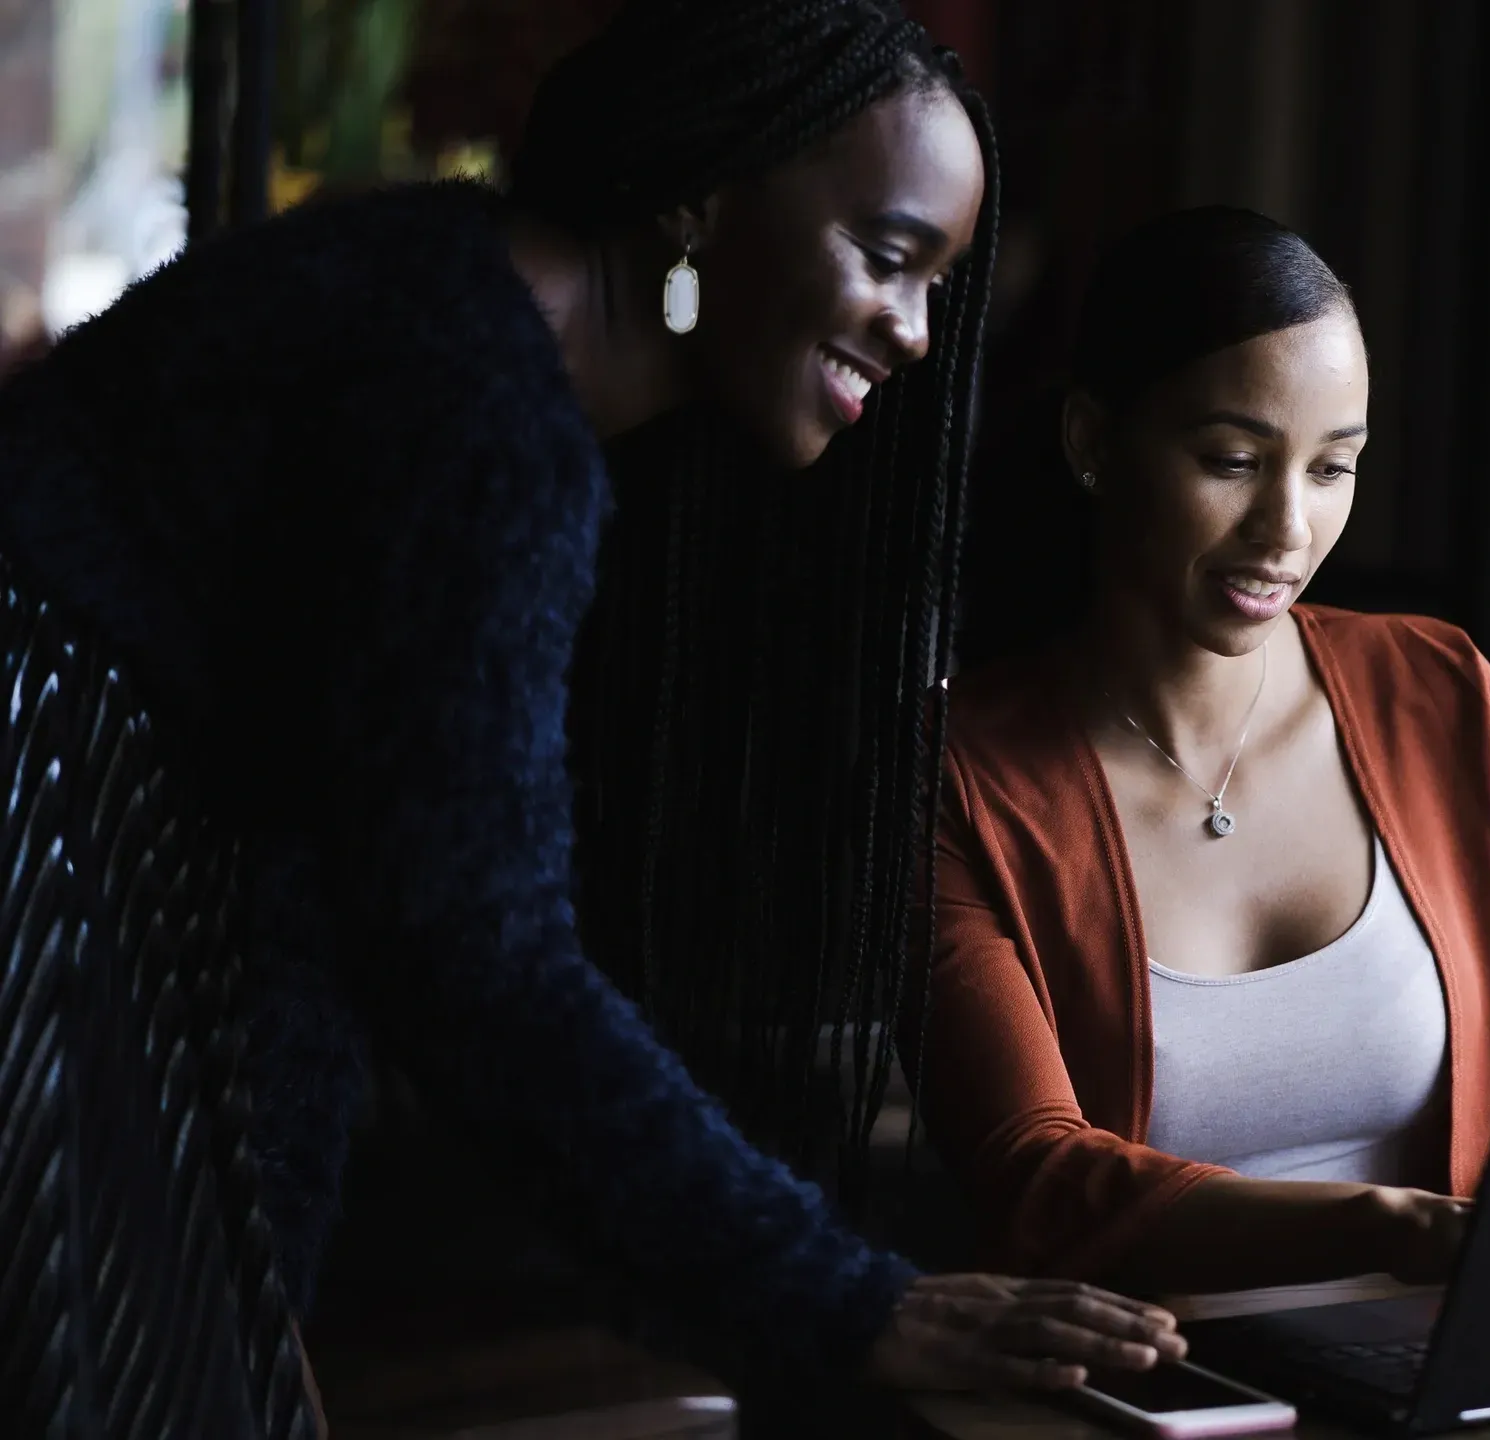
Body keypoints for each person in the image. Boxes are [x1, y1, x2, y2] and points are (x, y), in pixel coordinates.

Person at [0, 0, 1184, 1398]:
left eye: (939, 285)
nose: (918, 334)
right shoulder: (476, 401)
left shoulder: (439, 295)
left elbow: (342, 894)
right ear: (700, 195)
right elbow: (475, 960)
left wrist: (255, 1312)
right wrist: (848, 1301)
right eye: (887, 256)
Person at [915, 207, 1490, 1295]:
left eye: (1333, 468)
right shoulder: (958, 777)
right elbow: (1034, 1179)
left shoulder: (1443, 698)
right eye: (1232, 460)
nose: (1286, 530)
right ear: (1092, 443)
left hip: (1439, 1358)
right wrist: (1390, 1230)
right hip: (1141, 1366)